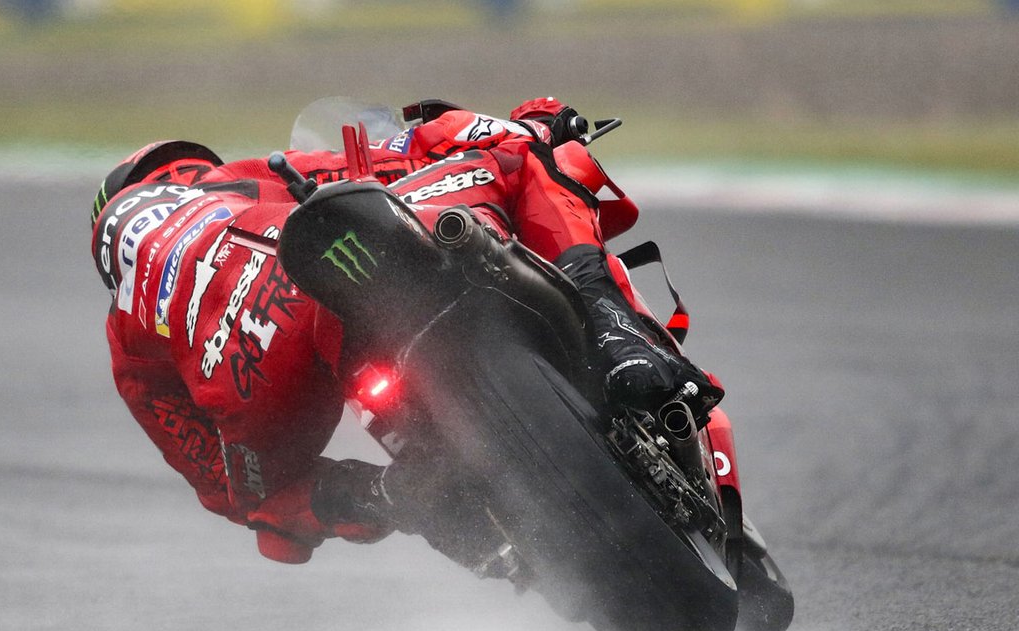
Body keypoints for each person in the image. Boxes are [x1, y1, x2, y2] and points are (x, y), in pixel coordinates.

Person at [90, 98, 720, 564]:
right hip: (306, 279)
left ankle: (403, 492)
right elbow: (403, 156)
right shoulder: (225, 180)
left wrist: (350, 498)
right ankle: (612, 329)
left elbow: (228, 488)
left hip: (251, 376)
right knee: (520, 155)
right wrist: (538, 121)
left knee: (264, 494)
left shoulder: (126, 335)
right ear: (176, 168)